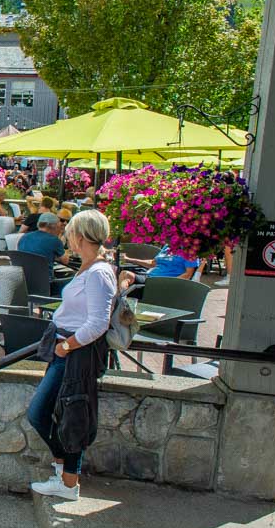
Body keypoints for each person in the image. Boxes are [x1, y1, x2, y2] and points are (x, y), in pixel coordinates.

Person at [28, 210, 116, 500]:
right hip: (67, 349)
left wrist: (67, 346)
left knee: (50, 413)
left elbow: (98, 323)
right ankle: (64, 474)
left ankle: (67, 481)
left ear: (81, 236)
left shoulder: (98, 273)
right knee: (58, 413)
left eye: (70, 233)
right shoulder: (90, 267)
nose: (66, 237)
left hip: (74, 353)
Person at [124, 244, 200, 280]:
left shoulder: (188, 250)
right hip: (149, 277)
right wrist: (129, 259)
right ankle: (121, 305)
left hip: (164, 283)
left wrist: (166, 283)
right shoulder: (167, 246)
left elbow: (188, 275)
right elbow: (153, 263)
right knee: (125, 274)